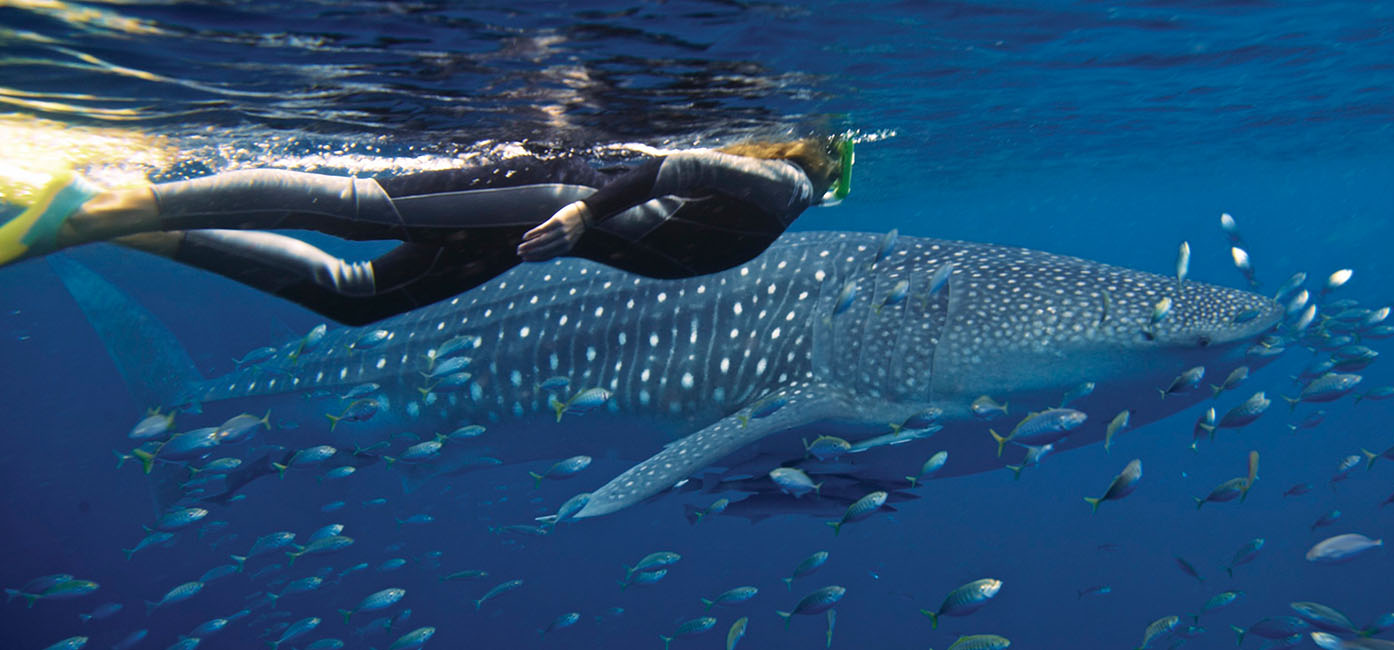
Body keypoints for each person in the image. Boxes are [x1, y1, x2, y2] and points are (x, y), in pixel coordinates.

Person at [0, 137, 852, 325]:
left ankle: (120, 229)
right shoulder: (780, 184)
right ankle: (112, 199)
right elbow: (677, 168)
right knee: (358, 208)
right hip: (545, 202)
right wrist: (586, 213)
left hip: (538, 233)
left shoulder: (785, 200)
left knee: (360, 298)